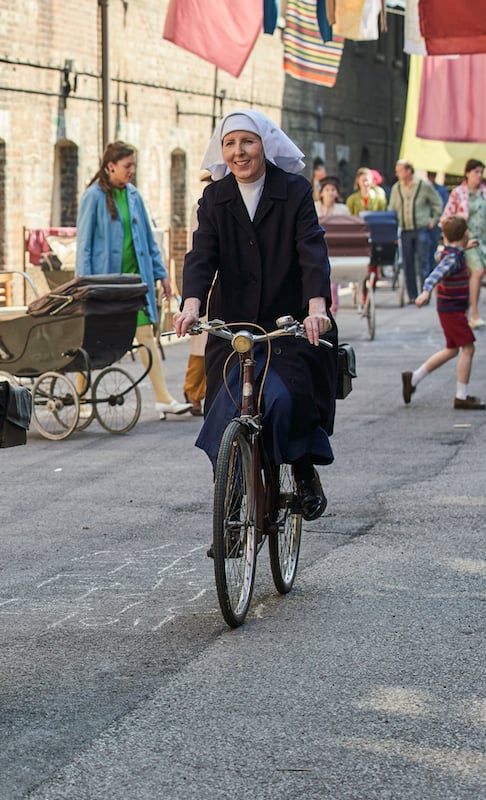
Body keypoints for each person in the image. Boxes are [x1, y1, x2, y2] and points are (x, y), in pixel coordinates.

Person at [172, 109, 337, 534]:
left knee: (284, 398)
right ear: (221, 151)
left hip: (288, 321)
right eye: (230, 144)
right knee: (225, 412)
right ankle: (230, 507)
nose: (239, 152)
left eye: (247, 142)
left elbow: (311, 250)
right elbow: (201, 255)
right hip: (234, 327)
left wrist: (316, 307)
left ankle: (301, 469)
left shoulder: (294, 191)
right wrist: (191, 305)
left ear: (264, 144)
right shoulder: (215, 198)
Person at [76, 142, 191, 418]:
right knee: (91, 340)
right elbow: (85, 246)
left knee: (145, 336)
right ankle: (79, 399)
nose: (132, 171)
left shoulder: (134, 196)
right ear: (110, 166)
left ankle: (163, 398)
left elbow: (149, 241)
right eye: (127, 166)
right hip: (104, 285)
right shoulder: (92, 197)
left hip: (135, 284)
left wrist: (162, 275)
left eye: (134, 165)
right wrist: (84, 285)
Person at [401, 216, 486, 410]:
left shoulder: (450, 253)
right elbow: (436, 274)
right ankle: (461, 396)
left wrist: (464, 247)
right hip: (452, 311)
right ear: (466, 234)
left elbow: (445, 258)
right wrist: (425, 291)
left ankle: (413, 378)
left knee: (452, 349)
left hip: (449, 309)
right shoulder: (453, 258)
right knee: (468, 348)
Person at [442, 158, 486, 329]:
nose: (479, 176)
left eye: (481, 172)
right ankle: (475, 313)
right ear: (467, 174)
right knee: (477, 272)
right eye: (476, 172)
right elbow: (446, 217)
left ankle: (467, 312)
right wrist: (448, 240)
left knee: (474, 277)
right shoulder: (458, 193)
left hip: (482, 241)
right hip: (465, 240)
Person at [388, 159, 444, 299]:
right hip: (405, 230)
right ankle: (412, 295)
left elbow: (438, 203)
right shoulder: (397, 188)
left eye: (400, 170)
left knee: (423, 262)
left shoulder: (423, 186)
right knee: (407, 263)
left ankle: (425, 293)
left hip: (421, 228)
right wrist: (392, 230)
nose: (397, 173)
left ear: (408, 171)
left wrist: (434, 220)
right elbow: (391, 209)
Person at [315, 175, 349, 314]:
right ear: (322, 193)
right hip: (319, 248)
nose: (330, 193)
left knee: (333, 282)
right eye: (327, 189)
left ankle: (332, 307)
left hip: (338, 248)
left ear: (337, 193)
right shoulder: (314, 207)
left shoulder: (343, 209)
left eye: (333, 190)